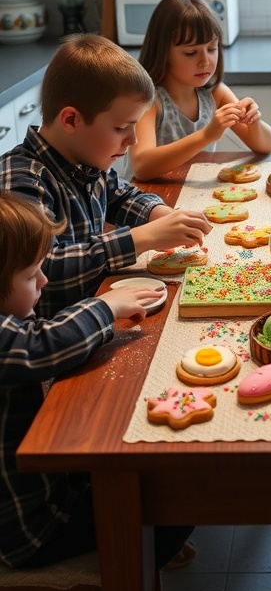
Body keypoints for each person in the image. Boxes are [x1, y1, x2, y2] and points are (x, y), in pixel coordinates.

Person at [0, 190, 193, 570]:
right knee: (178, 499)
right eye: (30, 274)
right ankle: (130, 574)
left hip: (52, 489)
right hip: (31, 528)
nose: (43, 279)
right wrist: (103, 306)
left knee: (154, 474)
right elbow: (39, 345)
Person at [0, 34, 212, 317]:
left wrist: (159, 214)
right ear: (71, 120)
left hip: (95, 305)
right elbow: (45, 266)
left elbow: (119, 195)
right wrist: (139, 239)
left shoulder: (84, 161)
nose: (133, 140)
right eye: (121, 127)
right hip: (55, 333)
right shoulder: (21, 180)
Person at [128, 0, 271, 181]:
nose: (205, 61)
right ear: (163, 52)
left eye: (212, 49)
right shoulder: (149, 100)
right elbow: (141, 167)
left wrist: (254, 122)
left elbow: (265, 146)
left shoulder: (216, 94)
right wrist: (206, 135)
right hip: (152, 200)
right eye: (191, 52)